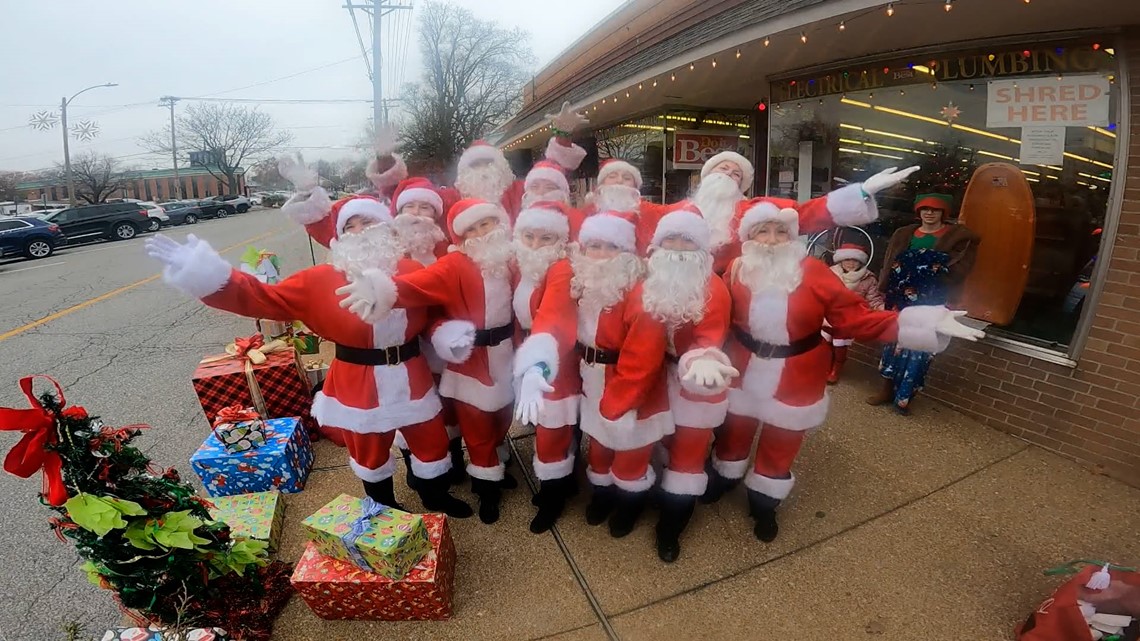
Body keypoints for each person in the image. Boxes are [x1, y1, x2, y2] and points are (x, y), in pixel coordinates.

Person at [143, 196, 472, 518]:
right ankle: (383, 507)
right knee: (369, 452)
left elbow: (433, 313)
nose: (359, 231)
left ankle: (435, 496)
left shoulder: (412, 270)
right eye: (350, 226)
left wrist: (447, 334)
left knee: (430, 439)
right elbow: (261, 297)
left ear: (386, 228)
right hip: (358, 382)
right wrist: (210, 275)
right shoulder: (318, 280)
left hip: (412, 374)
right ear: (339, 237)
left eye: (368, 222)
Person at [702, 197, 984, 542]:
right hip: (742, 366)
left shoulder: (813, 271)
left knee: (782, 441)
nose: (773, 239)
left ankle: (764, 502)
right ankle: (725, 476)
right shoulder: (735, 270)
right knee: (734, 433)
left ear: (793, 236)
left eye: (781, 231)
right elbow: (714, 314)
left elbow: (854, 317)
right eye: (763, 231)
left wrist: (922, 322)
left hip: (797, 371)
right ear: (749, 236)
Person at [337, 198, 518, 525]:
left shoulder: (513, 259)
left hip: (510, 357)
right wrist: (380, 289)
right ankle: (486, 488)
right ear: (460, 236)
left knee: (502, 421)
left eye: (486, 224)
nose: (481, 233)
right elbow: (418, 284)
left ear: (500, 224)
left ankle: (494, 466)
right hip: (471, 360)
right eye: (472, 229)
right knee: (476, 428)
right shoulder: (455, 263)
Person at [514, 211, 671, 539]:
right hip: (593, 379)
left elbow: (643, 359)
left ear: (627, 253)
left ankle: (628, 506)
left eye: (611, 247)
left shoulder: (644, 295)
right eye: (593, 246)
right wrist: (537, 364)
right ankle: (602, 495)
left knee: (630, 457)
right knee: (599, 452)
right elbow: (555, 319)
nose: (600, 255)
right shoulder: (579, 284)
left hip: (631, 388)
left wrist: (621, 402)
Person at [641, 206, 738, 562]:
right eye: (671, 239)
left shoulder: (714, 289)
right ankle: (656, 494)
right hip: (654, 376)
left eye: (687, 240)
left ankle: (671, 528)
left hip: (697, 379)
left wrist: (704, 359)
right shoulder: (646, 278)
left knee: (688, 456)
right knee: (657, 442)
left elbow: (710, 337)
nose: (679, 248)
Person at [868, 193, 979, 413]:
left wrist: (929, 270)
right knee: (895, 341)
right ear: (918, 211)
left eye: (935, 210)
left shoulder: (957, 238)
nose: (929, 213)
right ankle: (886, 389)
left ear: (943, 213)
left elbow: (961, 269)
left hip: (932, 298)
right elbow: (890, 262)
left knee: (921, 347)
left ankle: (905, 395)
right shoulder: (903, 234)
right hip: (900, 297)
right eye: (925, 209)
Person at [510, 200, 582, 533]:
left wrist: (537, 364)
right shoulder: (521, 266)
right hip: (529, 357)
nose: (536, 245)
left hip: (555, 361)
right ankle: (563, 483)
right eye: (529, 236)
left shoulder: (562, 269)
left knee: (554, 432)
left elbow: (553, 316)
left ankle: (554, 498)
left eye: (546, 238)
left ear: (560, 240)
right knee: (549, 428)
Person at [440, 102, 589, 219]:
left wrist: (563, 134)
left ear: (500, 166)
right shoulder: (452, 198)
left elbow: (549, 170)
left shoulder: (518, 191)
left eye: (488, 163)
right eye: (475, 165)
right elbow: (426, 196)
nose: (483, 170)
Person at [824, 242, 885, 384]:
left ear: (861, 262)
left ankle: (837, 367)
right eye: (847, 259)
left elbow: (874, 299)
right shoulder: (830, 273)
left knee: (840, 344)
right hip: (828, 313)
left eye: (855, 260)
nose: (850, 263)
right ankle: (826, 362)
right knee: (824, 341)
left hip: (848, 317)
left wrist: (882, 310)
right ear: (840, 260)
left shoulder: (868, 278)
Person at [391, 177, 449, 266]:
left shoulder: (445, 248)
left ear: (434, 215)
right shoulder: (389, 246)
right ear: (401, 212)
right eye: (410, 206)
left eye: (424, 208)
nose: (416, 212)